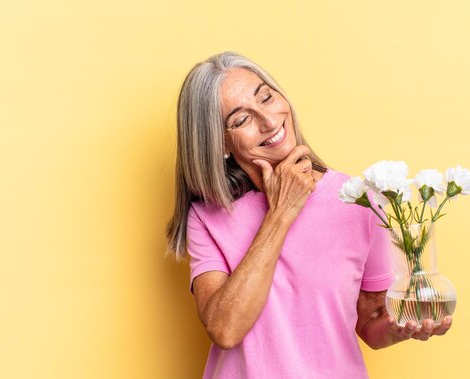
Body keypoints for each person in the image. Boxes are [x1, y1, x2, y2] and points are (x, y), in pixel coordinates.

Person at [166, 51, 452, 378]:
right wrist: (280, 213)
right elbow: (225, 329)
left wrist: (401, 327)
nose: (270, 121)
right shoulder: (208, 217)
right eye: (241, 119)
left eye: (267, 97)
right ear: (219, 143)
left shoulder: (359, 199)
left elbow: (371, 323)